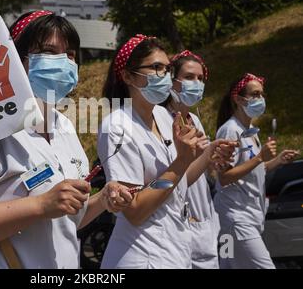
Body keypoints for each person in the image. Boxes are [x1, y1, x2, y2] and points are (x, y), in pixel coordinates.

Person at [0, 10, 133, 269]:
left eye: (69, 55)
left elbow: (66, 220)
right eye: (48, 51)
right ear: (15, 59)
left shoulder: (64, 126)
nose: (64, 62)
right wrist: (39, 205)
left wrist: (102, 200)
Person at [98, 35, 236, 269]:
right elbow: (135, 209)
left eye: (167, 68)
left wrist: (207, 154)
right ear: (128, 76)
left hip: (174, 250)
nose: (165, 76)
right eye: (156, 67)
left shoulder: (163, 117)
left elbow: (178, 181)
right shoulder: (117, 127)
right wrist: (181, 161)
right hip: (143, 254)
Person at [215, 73, 300, 269]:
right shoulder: (230, 131)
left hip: (247, 217)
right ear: (237, 99)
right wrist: (260, 156)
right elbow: (225, 177)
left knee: (228, 266)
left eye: (262, 94)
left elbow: (251, 170)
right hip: (236, 220)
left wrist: (276, 161)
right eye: (255, 94)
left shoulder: (251, 130)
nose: (260, 99)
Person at [161, 50, 220, 268]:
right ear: (171, 80)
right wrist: (208, 152)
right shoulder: (162, 121)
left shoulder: (194, 119)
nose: (196, 83)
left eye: (200, 78)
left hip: (205, 218)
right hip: (180, 221)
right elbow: (176, 176)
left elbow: (202, 167)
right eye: (189, 77)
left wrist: (213, 159)